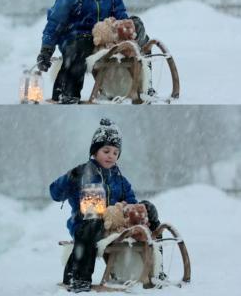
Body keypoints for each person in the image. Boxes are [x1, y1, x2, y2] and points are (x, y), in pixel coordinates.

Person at [49, 118, 160, 292]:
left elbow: (131, 203)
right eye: (106, 150)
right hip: (85, 225)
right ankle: (78, 277)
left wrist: (136, 209)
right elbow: (55, 193)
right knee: (92, 224)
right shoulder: (82, 174)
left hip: (114, 226)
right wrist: (71, 177)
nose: (111, 156)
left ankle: (154, 269)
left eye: (115, 153)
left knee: (148, 208)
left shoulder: (120, 180)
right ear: (95, 151)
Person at [36, 0, 148, 104]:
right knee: (78, 47)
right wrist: (46, 50)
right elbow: (54, 24)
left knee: (137, 24)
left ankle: (144, 85)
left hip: (105, 39)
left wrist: (126, 27)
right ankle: (67, 94)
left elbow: (121, 18)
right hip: (76, 39)